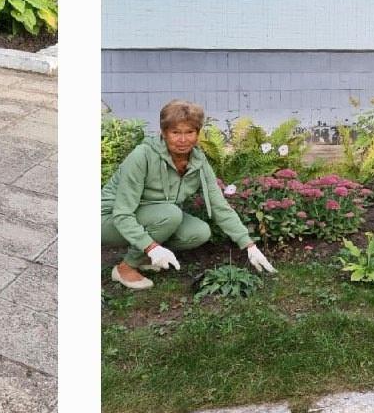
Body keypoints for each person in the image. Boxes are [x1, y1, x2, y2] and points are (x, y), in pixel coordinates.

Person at [104, 103, 275, 292]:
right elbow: (122, 213)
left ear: (198, 133)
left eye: (190, 132)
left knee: (199, 232)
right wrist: (152, 247)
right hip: (109, 218)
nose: (183, 139)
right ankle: (125, 267)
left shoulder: (198, 162)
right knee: (171, 215)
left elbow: (220, 206)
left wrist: (249, 245)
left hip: (155, 215)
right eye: (175, 132)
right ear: (163, 132)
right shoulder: (142, 156)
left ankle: (145, 255)